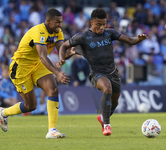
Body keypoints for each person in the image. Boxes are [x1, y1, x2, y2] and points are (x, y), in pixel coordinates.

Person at [57, 8, 148, 136]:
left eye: (104, 24)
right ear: (91, 22)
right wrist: (62, 59)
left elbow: (130, 41)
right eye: (99, 24)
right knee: (107, 88)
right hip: (96, 73)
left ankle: (102, 118)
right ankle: (107, 125)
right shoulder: (83, 37)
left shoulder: (110, 33)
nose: (102, 27)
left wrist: (139, 39)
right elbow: (63, 46)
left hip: (113, 72)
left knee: (114, 102)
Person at [0, 8, 74, 139]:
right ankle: (4, 112)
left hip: (37, 65)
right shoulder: (39, 31)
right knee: (30, 106)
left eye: (61, 22)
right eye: (57, 22)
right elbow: (43, 56)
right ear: (48, 21)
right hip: (21, 68)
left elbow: (61, 53)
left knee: (53, 90)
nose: (60, 25)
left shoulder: (58, 32)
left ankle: (52, 130)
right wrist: (57, 73)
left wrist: (69, 53)